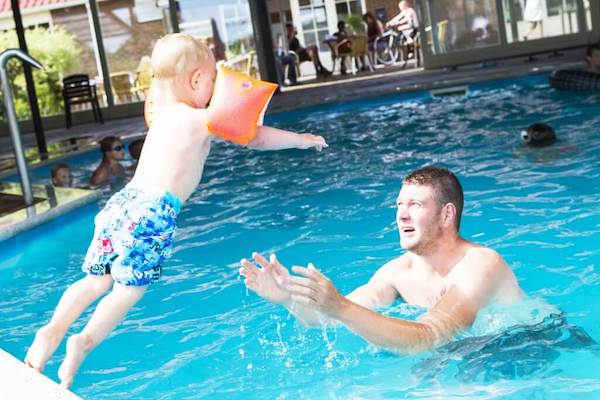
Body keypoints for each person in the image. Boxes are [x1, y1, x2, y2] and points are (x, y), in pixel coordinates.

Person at [24, 33, 327, 388]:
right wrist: (300, 140)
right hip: (153, 210)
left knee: (95, 281)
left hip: (121, 203)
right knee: (127, 290)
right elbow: (255, 136)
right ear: (196, 80)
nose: (215, 88)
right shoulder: (203, 120)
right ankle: (84, 342)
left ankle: (52, 331)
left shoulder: (162, 115)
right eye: (213, 80)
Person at [240, 166, 524, 352]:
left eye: (415, 204)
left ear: (447, 214)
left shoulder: (480, 265)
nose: (401, 215)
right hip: (471, 349)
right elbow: (325, 319)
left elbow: (428, 337)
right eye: (400, 204)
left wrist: (338, 305)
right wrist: (288, 299)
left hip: (526, 347)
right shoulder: (398, 273)